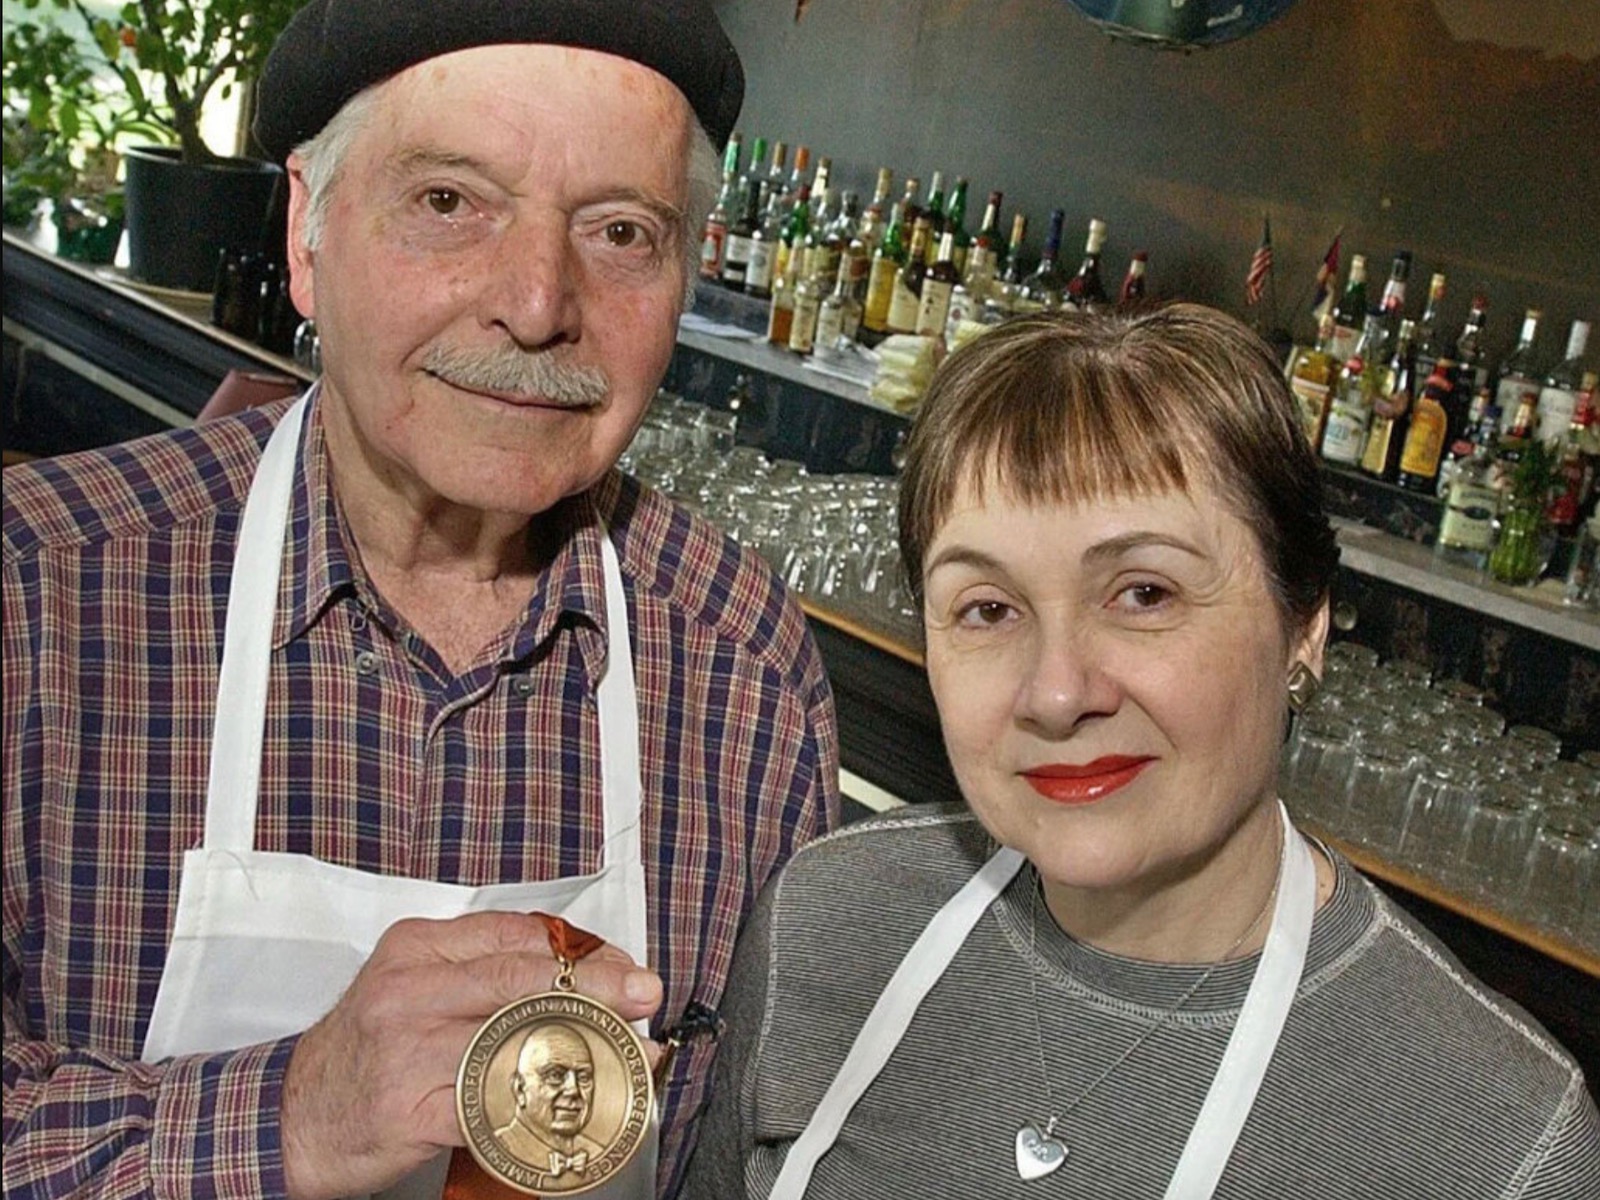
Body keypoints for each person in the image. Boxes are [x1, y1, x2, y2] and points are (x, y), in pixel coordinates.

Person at [2, 3, 839, 1199]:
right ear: (307, 231)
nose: (538, 302)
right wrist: (290, 1116)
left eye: (618, 231)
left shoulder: (744, 668)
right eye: (450, 202)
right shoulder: (39, 594)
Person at [682, 306, 1600, 1199]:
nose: (1056, 691)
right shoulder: (829, 916)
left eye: (1145, 593)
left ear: (1304, 625)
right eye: (988, 609)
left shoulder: (1498, 1137)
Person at [495, 1023, 604, 1174]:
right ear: (520, 1089)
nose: (573, 1089)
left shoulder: (597, 1153)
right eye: (555, 1075)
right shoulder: (499, 1149)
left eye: (583, 1077)